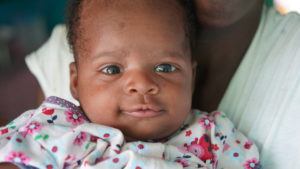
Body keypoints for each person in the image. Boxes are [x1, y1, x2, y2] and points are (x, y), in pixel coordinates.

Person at [0, 0, 260, 169]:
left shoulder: (213, 137)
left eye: (165, 68)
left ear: (191, 78)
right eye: (112, 70)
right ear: (76, 82)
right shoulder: (55, 130)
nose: (142, 85)